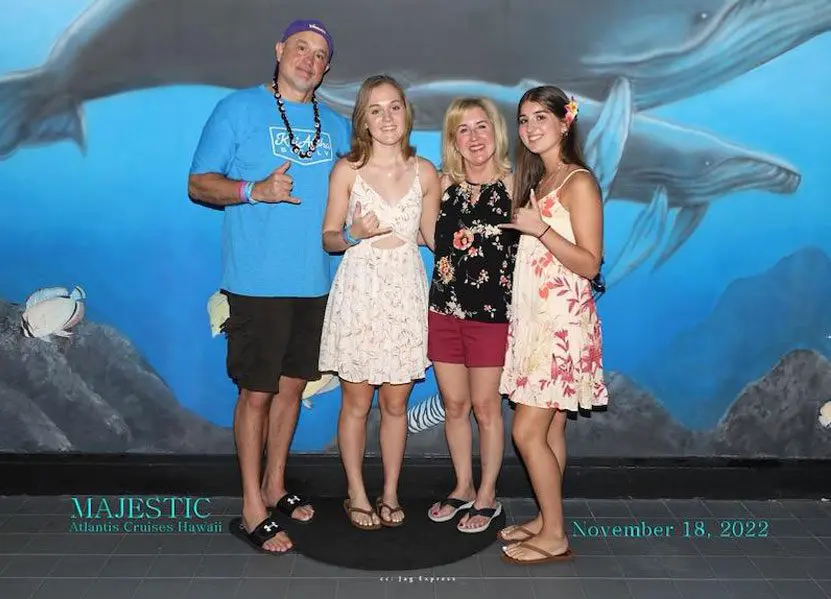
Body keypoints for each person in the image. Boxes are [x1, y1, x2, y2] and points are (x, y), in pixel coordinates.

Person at [187, 19, 351, 554]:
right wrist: (253, 189)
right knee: (255, 394)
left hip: (314, 282)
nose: (309, 59)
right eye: (300, 47)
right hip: (256, 283)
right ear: (280, 50)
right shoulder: (237, 109)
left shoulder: (337, 124)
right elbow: (199, 182)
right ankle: (251, 504)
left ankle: (276, 486)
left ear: (327, 68)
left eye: (319, 54)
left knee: (290, 390)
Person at [319, 74, 442, 530]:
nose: (387, 117)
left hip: (406, 293)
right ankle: (356, 493)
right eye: (376, 110)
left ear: (406, 113)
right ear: (363, 121)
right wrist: (355, 233)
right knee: (355, 403)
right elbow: (330, 239)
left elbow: (431, 238)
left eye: (394, 107)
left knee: (395, 406)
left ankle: (390, 492)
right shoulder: (347, 170)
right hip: (359, 291)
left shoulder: (425, 172)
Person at [496, 85, 609, 564]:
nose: (530, 128)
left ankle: (556, 535)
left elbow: (589, 263)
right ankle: (547, 518)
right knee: (550, 433)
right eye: (523, 120)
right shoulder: (539, 182)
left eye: (540, 117)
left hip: (560, 329)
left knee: (526, 433)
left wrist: (539, 228)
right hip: (535, 324)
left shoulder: (577, 182)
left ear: (566, 121)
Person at [425, 98, 518, 533]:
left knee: (486, 408)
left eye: (482, 127)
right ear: (453, 140)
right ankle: (462, 487)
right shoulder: (442, 187)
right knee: (455, 405)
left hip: (492, 317)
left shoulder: (517, 188)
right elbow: (426, 238)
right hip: (443, 311)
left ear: (496, 133)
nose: (475, 137)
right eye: (464, 130)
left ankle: (488, 495)